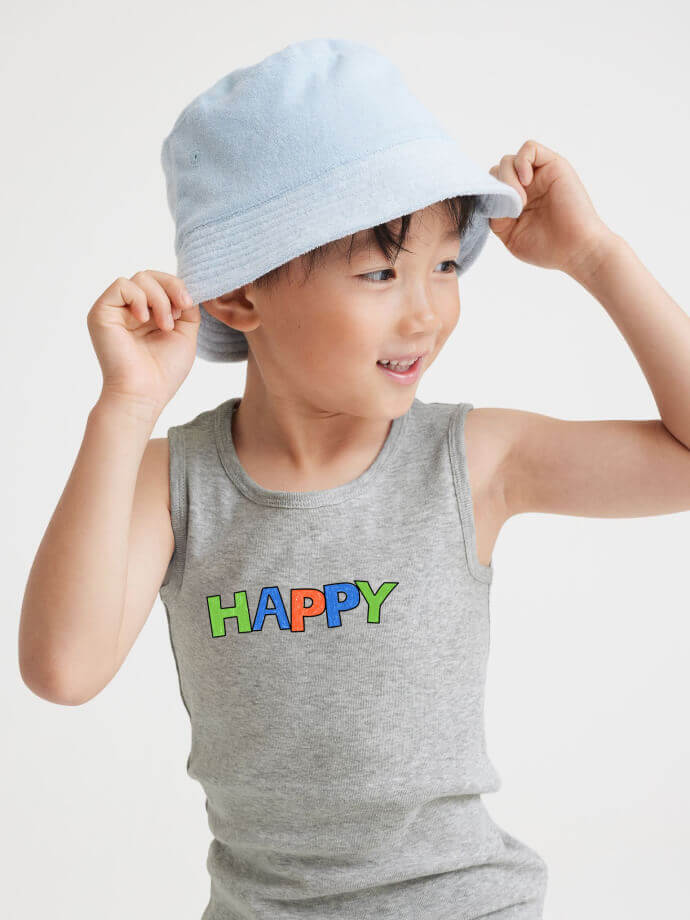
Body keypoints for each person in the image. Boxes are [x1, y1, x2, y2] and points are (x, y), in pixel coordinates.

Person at [19, 38, 690, 920]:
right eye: (380, 272)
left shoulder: (473, 460)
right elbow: (63, 670)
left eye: (445, 265)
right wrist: (126, 405)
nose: (427, 313)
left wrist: (596, 255)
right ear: (238, 297)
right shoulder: (176, 481)